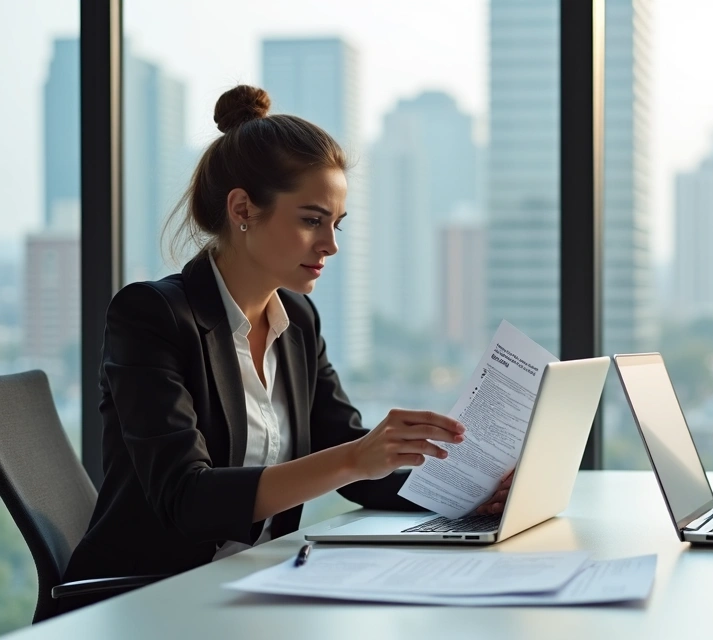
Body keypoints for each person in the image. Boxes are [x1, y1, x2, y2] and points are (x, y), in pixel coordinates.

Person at [63, 85, 510, 598]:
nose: (331, 244)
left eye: (337, 224)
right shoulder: (151, 316)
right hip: (148, 597)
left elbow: (356, 464)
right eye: (311, 220)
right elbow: (187, 498)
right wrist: (355, 456)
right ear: (243, 210)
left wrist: (469, 493)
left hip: (253, 586)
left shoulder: (296, 321)